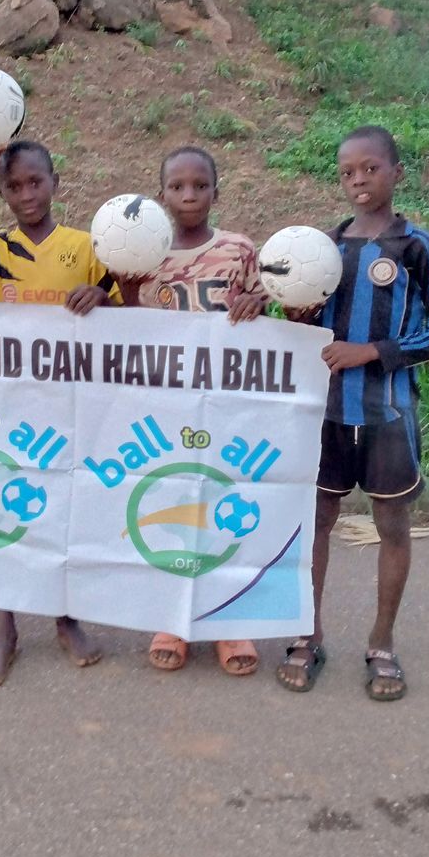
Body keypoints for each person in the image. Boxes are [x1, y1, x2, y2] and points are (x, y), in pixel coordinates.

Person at [276, 125, 429, 702]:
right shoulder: (321, 248)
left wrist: (372, 352)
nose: (359, 179)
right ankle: (308, 635)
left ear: (396, 173)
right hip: (327, 412)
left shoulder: (419, 247)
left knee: (391, 526)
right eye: (348, 172)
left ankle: (382, 643)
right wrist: (285, 308)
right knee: (317, 522)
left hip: (389, 414)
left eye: (371, 168)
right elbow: (306, 318)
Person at [0, 138, 119, 687]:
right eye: (12, 187)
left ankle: (65, 618)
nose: (26, 194)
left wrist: (100, 297)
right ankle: (7, 629)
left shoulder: (87, 247)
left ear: (55, 183)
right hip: (7, 407)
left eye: (35, 182)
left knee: (64, 513)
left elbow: (125, 306)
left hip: (70, 405)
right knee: (3, 513)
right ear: (3, 194)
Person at [119, 146, 268, 676]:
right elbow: (129, 327)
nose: (189, 196)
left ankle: (229, 621)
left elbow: (267, 307)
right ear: (160, 194)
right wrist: (125, 291)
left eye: (200, 186)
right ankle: (174, 619)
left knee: (226, 503)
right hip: (167, 404)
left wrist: (258, 303)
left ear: (216, 192)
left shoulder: (238, 250)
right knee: (174, 503)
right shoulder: (141, 253)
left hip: (227, 401)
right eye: (177, 187)